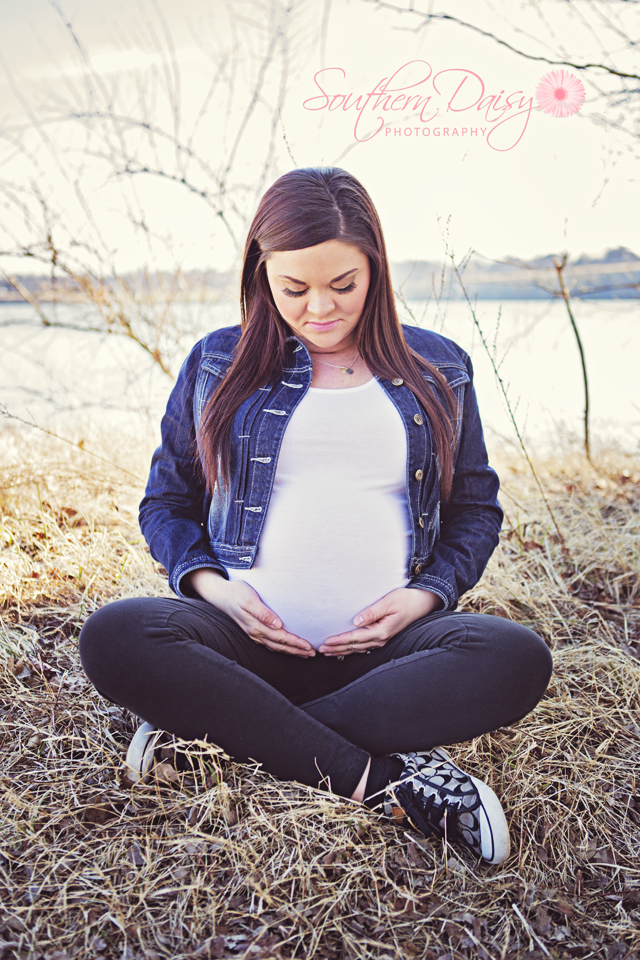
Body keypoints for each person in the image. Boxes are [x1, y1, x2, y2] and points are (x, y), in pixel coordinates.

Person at [79, 167, 552, 865]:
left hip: (386, 658)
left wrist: (423, 597)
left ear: (376, 270)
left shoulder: (438, 367)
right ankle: (382, 780)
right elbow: (166, 504)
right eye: (294, 288)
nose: (320, 308)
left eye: (344, 285)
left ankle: (223, 739)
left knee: (515, 658)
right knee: (116, 636)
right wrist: (219, 591)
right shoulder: (218, 361)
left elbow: (476, 511)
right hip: (238, 645)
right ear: (261, 273)